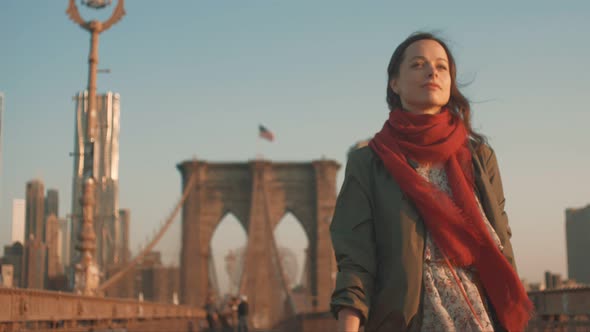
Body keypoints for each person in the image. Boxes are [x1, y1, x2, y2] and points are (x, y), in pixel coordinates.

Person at [330, 32, 533, 332]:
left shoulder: (480, 158)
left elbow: (501, 244)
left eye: (441, 67)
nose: (432, 72)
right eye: (418, 64)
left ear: (450, 82)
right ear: (394, 83)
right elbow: (356, 261)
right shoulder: (368, 163)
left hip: (479, 319)